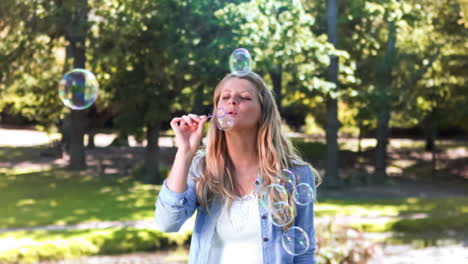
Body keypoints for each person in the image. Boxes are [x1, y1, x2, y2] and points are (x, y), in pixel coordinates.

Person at [154, 71, 320, 264]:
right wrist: (184, 153)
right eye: (225, 97)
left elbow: (303, 254)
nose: (232, 101)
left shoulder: (296, 174)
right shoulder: (202, 168)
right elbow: (167, 223)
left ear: (263, 112)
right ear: (216, 111)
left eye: (244, 97)